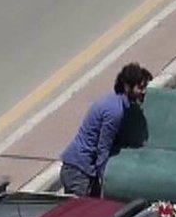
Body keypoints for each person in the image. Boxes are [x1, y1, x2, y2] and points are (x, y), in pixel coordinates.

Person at [59, 62, 152, 197]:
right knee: (84, 214)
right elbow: (103, 148)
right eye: (140, 87)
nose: (143, 91)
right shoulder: (115, 111)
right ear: (127, 87)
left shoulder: (116, 102)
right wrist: (106, 181)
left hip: (82, 170)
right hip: (78, 172)